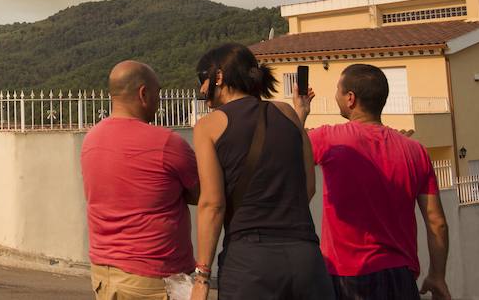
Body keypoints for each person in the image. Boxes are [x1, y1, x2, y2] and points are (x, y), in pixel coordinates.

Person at [292, 63, 451, 300]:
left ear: (350, 98)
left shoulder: (329, 139)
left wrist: (300, 113)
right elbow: (437, 223)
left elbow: (288, 149)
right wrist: (437, 276)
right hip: (401, 277)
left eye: (338, 89)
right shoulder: (416, 151)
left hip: (348, 277)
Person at [191, 43, 333, 300]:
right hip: (306, 257)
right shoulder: (288, 113)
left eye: (203, 78)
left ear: (219, 77)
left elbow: (213, 204)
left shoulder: (209, 126)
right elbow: (307, 188)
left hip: (250, 261)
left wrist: (202, 276)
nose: (202, 88)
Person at [81, 60, 200, 299]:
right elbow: (202, 194)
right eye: (158, 93)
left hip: (105, 274)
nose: (159, 100)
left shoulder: (91, 140)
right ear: (143, 93)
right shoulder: (168, 143)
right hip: (155, 279)